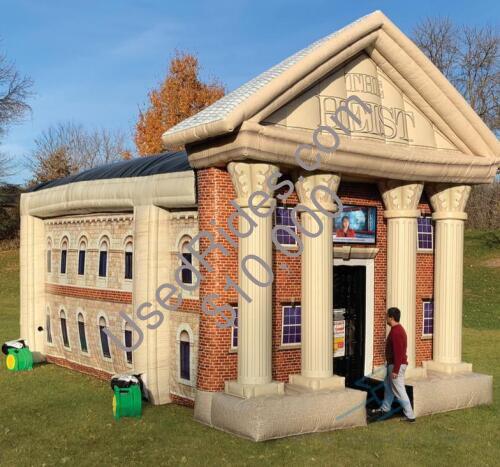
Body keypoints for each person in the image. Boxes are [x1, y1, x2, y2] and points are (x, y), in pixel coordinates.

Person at [369, 307, 416, 422]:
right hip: (393, 365)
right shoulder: (396, 330)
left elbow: (399, 353)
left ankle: (410, 416)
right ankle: (385, 408)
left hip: (396, 365)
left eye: (387, 316)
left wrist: (395, 370)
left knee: (399, 390)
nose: (386, 318)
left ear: (391, 317)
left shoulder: (396, 332)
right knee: (388, 386)